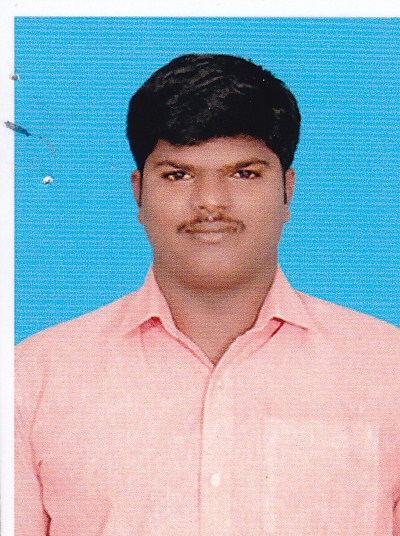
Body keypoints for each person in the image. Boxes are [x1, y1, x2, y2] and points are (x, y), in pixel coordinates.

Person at [15, 54, 400, 535]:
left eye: (245, 173)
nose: (211, 203)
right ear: (138, 193)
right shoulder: (32, 378)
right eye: (178, 175)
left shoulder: (387, 368)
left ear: (288, 191)